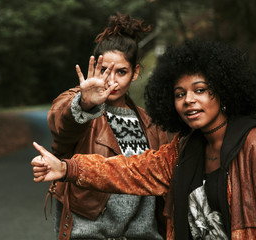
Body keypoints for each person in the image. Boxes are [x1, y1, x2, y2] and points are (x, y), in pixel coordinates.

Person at [32, 40, 256, 239]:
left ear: (224, 92)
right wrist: (67, 168)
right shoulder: (183, 149)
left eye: (200, 90)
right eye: (179, 94)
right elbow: (131, 169)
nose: (188, 100)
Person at [44, 13, 171, 240]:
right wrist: (85, 103)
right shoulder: (79, 104)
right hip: (90, 233)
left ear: (136, 72)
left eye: (121, 72)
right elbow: (60, 121)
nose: (111, 81)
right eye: (105, 70)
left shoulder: (152, 123)